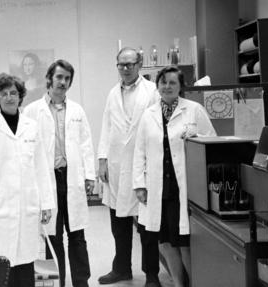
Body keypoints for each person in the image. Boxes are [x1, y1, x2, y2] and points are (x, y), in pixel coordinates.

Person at [0, 73, 55, 287]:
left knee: (26, 265)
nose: (9, 97)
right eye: (4, 93)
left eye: (13, 92)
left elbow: (41, 168)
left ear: (20, 96)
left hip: (26, 207)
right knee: (2, 267)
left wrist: (46, 203)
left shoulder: (31, 127)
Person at [133, 66, 216, 287]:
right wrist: (139, 185)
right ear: (157, 85)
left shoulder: (194, 110)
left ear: (181, 86)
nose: (167, 86)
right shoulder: (148, 115)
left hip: (185, 188)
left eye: (172, 83)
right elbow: (139, 152)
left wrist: (195, 135)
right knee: (165, 241)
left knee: (185, 241)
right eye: (163, 82)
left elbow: (212, 143)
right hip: (159, 188)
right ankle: (179, 283)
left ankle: (195, 283)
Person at [24, 59, 95, 287]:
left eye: (67, 78)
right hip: (46, 180)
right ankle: (53, 284)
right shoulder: (32, 111)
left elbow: (86, 144)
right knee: (49, 237)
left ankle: (81, 282)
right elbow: (27, 148)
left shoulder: (77, 110)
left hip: (71, 178)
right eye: (59, 77)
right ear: (49, 79)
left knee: (77, 235)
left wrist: (89, 175)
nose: (63, 82)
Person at [97, 47, 159, 286]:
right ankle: (121, 268)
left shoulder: (152, 91)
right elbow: (106, 126)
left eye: (129, 64)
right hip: (116, 165)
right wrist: (102, 159)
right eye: (121, 65)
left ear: (139, 64)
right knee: (119, 223)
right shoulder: (113, 93)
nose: (124, 69)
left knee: (146, 226)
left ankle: (151, 274)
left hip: (142, 166)